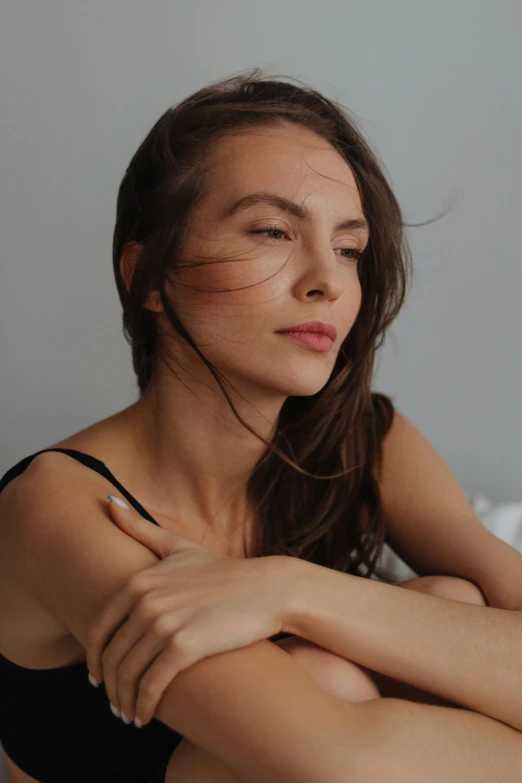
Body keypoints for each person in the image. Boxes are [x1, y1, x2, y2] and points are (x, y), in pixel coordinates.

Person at [2, 68, 522, 783]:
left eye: (348, 247)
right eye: (274, 230)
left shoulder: (361, 439)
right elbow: (339, 759)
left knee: (453, 601)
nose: (329, 281)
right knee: (337, 674)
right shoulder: (58, 503)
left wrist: (290, 589)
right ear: (147, 276)